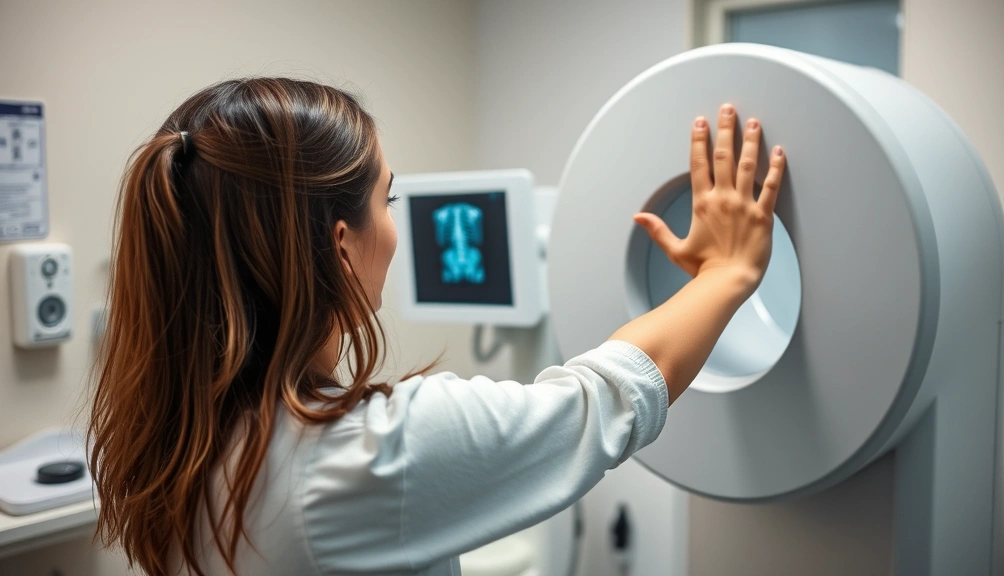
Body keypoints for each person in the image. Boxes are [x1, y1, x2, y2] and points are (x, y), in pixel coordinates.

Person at [89, 78, 785, 576]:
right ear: (339, 244)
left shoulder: (173, 439)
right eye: (387, 200)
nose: (396, 229)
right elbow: (604, 400)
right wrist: (727, 274)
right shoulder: (369, 454)